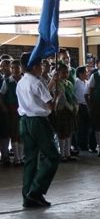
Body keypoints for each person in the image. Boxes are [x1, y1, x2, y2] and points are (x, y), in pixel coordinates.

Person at [16, 53, 61, 208]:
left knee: (30, 160)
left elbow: (38, 94)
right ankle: (36, 191)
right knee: (53, 156)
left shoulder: (22, 82)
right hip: (38, 122)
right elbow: (50, 106)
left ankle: (28, 197)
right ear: (35, 66)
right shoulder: (36, 82)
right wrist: (57, 97)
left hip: (25, 121)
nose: (43, 68)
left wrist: (51, 83)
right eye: (41, 64)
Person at [50, 64, 77, 162]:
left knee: (69, 132)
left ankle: (67, 153)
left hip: (70, 110)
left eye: (67, 72)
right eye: (63, 72)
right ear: (58, 73)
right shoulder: (57, 84)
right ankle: (62, 154)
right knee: (62, 133)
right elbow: (61, 98)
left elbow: (72, 96)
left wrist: (75, 106)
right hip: (61, 109)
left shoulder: (69, 83)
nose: (65, 74)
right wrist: (70, 107)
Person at [0, 60, 23, 165]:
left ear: (21, 68)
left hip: (23, 110)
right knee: (14, 133)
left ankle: (21, 157)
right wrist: (4, 107)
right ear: (11, 69)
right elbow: (1, 95)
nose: (15, 70)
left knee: (21, 134)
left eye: (17, 68)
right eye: (13, 68)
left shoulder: (24, 80)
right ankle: (17, 159)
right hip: (12, 110)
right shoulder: (7, 81)